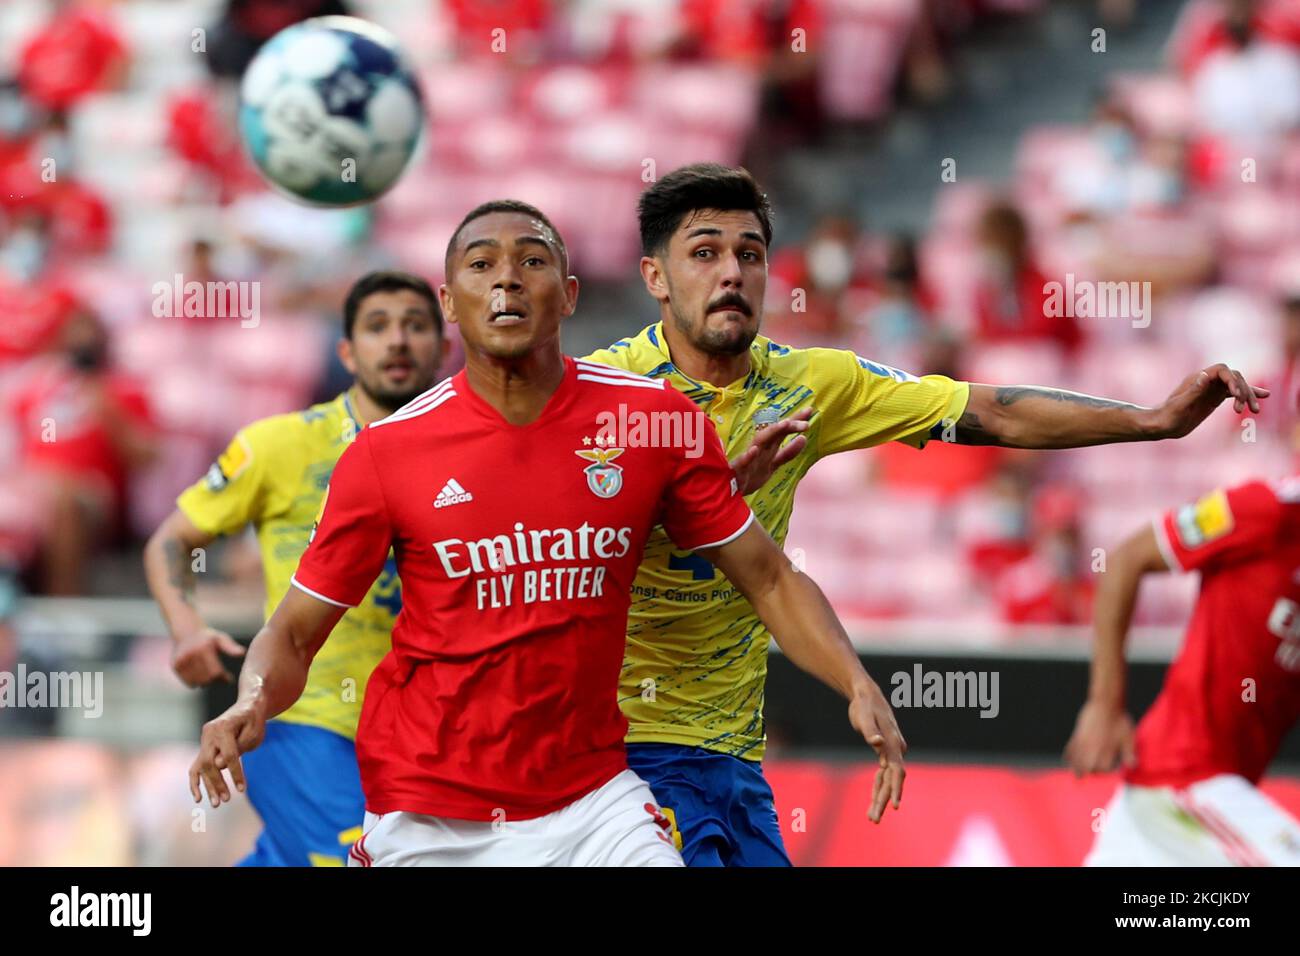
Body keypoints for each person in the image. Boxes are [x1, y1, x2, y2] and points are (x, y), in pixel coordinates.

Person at [582, 161, 1269, 866]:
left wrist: (1151, 421)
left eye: (748, 253)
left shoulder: (811, 382)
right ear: (655, 277)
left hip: (733, 758)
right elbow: (570, 555)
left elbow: (991, 413)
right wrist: (716, 491)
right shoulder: (600, 398)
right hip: (625, 757)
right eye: (704, 253)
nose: (732, 272)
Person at [188, 202, 906, 866]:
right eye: (480, 264)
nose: (506, 278)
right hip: (430, 811)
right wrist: (250, 702)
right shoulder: (385, 453)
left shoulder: (652, 423)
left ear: (567, 294)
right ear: (448, 303)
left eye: (531, 261)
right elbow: (294, 631)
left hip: (592, 802)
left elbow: (769, 576)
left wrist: (855, 681)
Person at [145, 270, 447, 866]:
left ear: (443, 346)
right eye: (377, 327)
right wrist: (185, 627)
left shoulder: (467, 451)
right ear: (346, 350)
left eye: (415, 326)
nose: (398, 342)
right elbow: (172, 540)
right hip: (304, 717)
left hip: (428, 733)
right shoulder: (279, 445)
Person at [1066, 475, 1300, 865]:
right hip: (1182, 778)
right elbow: (1126, 558)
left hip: (1189, 798)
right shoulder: (1268, 509)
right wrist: (1104, 705)